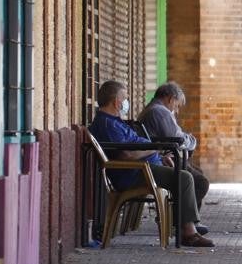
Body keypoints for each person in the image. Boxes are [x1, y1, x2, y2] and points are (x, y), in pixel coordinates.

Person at [88, 80, 214, 248]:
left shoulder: (114, 121)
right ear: (116, 102)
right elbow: (126, 154)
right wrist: (155, 148)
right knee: (184, 178)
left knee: (186, 175)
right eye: (125, 98)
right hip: (135, 174)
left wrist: (159, 156)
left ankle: (185, 226)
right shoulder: (106, 124)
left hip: (144, 168)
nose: (127, 103)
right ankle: (189, 232)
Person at [138, 81, 211, 213]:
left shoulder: (152, 108)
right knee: (201, 182)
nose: (176, 111)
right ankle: (182, 222)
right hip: (160, 160)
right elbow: (177, 139)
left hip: (158, 157)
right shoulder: (160, 111)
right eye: (177, 106)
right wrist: (192, 140)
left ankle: (191, 222)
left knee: (197, 173)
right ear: (171, 99)